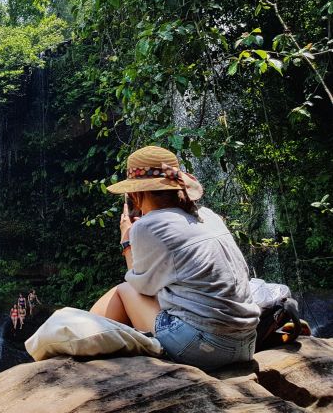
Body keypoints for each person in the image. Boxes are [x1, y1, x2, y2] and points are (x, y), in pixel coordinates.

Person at [90, 145, 260, 371]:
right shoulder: (207, 216)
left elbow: (140, 287)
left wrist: (126, 240)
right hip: (247, 344)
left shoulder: (149, 226)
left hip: (205, 348)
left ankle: (83, 355)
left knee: (123, 291)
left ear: (135, 194)